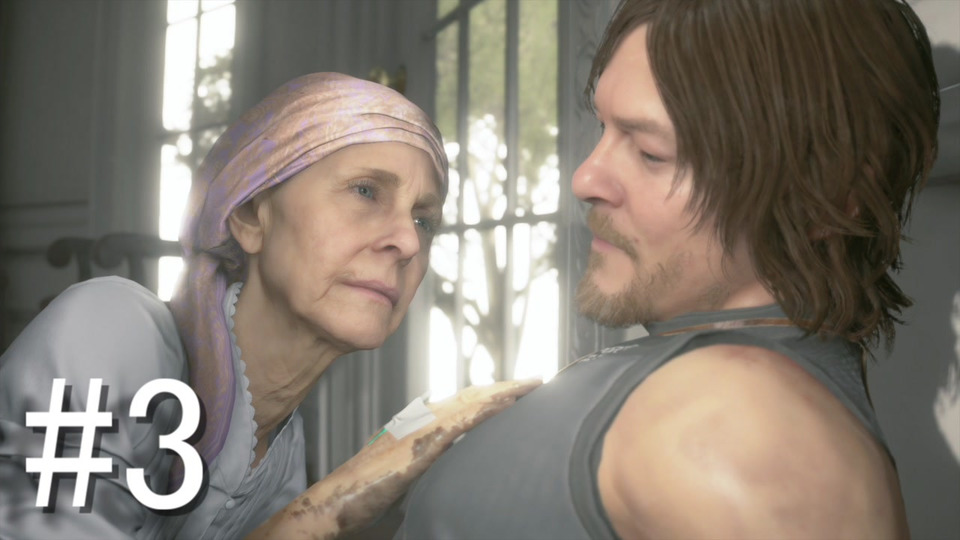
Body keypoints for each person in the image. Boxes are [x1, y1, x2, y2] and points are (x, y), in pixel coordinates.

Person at [395, 0, 940, 538]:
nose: (585, 178)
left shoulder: (748, 435)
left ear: (826, 196)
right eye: (604, 128)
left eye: (652, 153)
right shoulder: (724, 388)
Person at [0, 72, 539, 539]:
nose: (408, 241)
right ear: (251, 215)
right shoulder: (107, 330)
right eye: (365, 191)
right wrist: (333, 503)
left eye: (424, 219)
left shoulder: (282, 457)